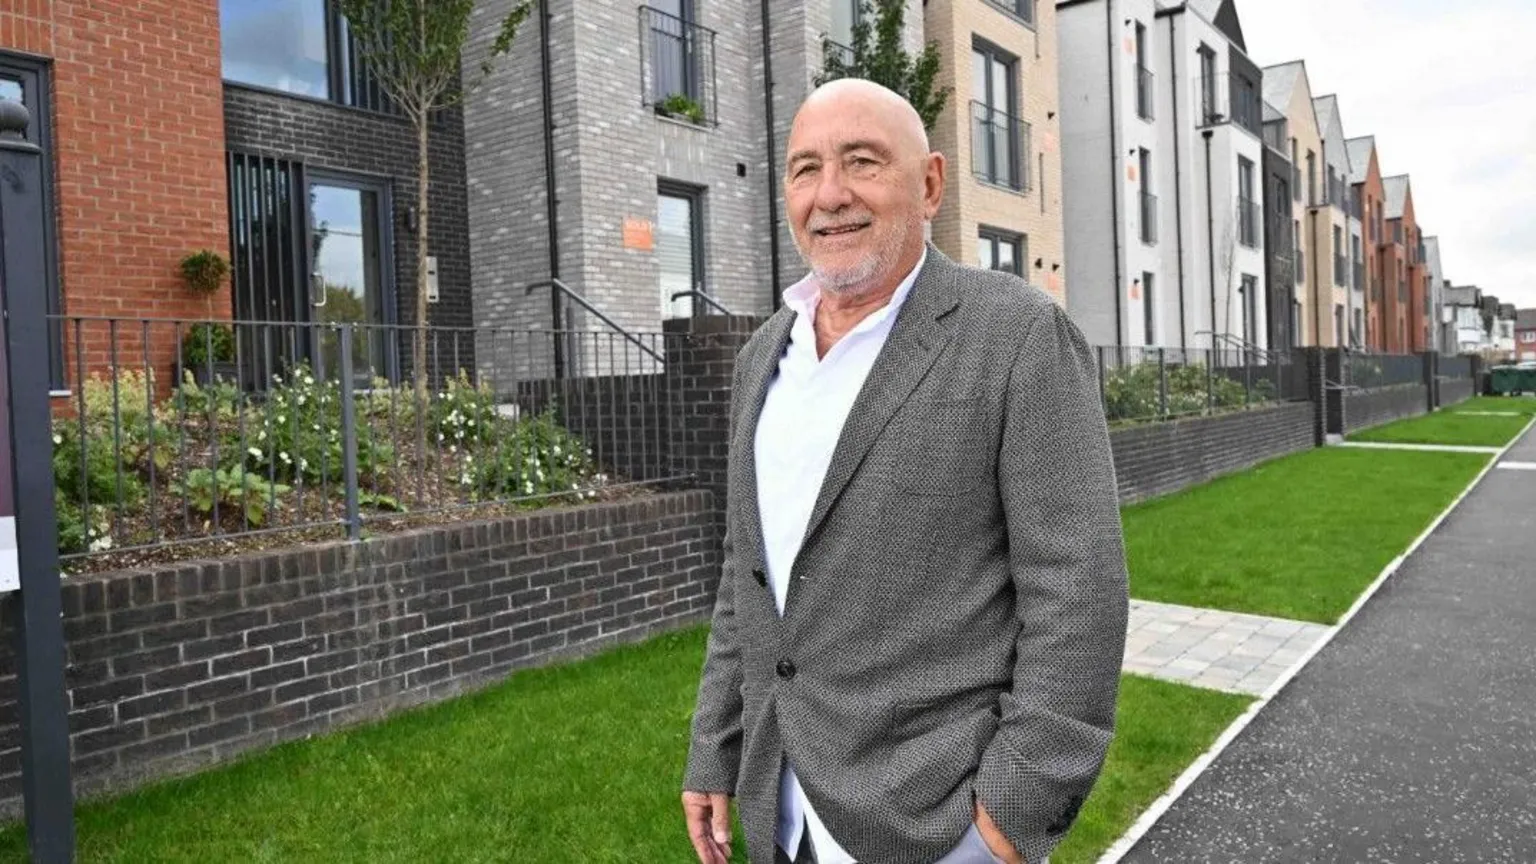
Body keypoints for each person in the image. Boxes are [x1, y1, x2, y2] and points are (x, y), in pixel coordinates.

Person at [681, 79, 1128, 864]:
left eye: (862, 161)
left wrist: (1001, 831)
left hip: (935, 823)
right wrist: (715, 750)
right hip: (780, 816)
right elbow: (745, 576)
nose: (830, 195)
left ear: (928, 185)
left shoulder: (1018, 337)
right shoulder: (763, 361)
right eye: (805, 168)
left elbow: (1080, 597)